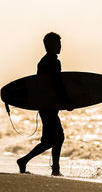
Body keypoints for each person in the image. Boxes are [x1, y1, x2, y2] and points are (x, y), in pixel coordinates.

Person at [17, 32, 72, 176]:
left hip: (46, 105)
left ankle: (55, 168)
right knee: (51, 140)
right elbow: (57, 84)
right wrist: (66, 101)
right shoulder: (53, 62)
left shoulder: (43, 62)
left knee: (57, 138)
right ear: (51, 45)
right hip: (48, 106)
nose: (60, 47)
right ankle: (24, 160)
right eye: (58, 44)